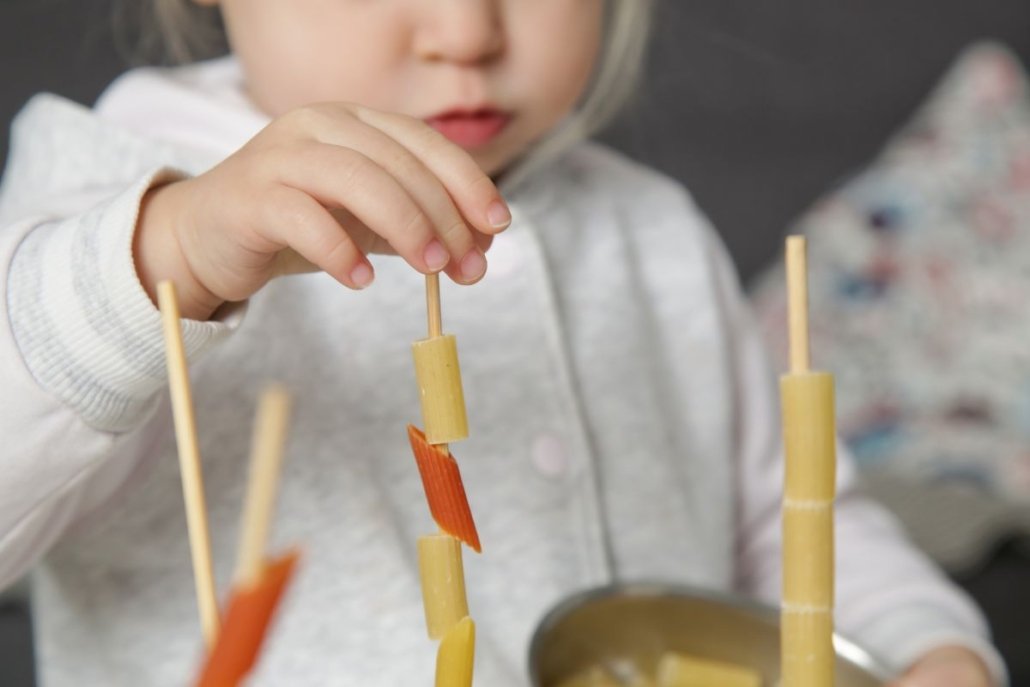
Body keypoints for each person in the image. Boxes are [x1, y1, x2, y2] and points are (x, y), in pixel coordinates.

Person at [0, 1, 1003, 684]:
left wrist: (925, 644)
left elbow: (786, 520)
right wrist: (163, 258)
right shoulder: (101, 193)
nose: (466, 31)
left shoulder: (651, 228)